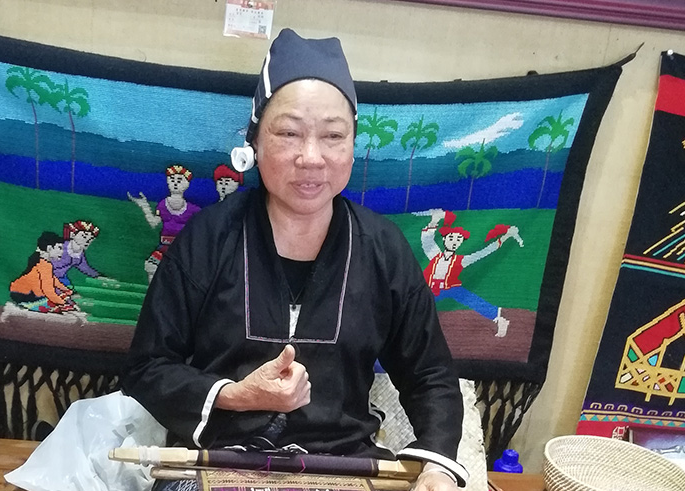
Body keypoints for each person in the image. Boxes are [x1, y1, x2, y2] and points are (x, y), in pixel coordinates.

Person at [122, 29, 467, 491]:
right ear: (254, 143)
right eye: (288, 133)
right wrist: (235, 395)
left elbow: (430, 375)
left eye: (332, 136)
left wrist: (439, 465)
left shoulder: (382, 248)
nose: (311, 158)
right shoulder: (207, 238)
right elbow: (147, 368)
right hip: (219, 464)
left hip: (343, 466)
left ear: (352, 145)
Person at [415, 209, 521, 338]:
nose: (454, 242)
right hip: (432, 289)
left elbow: (483, 252)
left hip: (451, 288)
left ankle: (500, 319)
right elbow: (427, 241)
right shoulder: (435, 255)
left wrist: (505, 237)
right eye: (451, 238)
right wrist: (435, 220)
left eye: (458, 240)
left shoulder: (461, 260)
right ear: (444, 239)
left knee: (471, 299)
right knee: (417, 304)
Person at [127, 165, 202, 283]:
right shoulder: (162, 204)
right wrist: (145, 206)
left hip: (182, 248)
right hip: (165, 245)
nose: (175, 183)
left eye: (179, 180)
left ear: (186, 184)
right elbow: (153, 223)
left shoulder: (193, 209)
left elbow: (202, 224)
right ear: (168, 182)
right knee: (152, 267)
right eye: (172, 180)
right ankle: (153, 295)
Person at [9, 231, 76, 313]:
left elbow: (53, 279)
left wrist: (65, 289)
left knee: (60, 297)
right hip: (24, 295)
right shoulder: (43, 265)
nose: (62, 252)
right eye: (59, 248)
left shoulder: (45, 263)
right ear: (49, 248)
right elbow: (48, 290)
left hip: (21, 293)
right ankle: (31, 305)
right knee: (55, 303)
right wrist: (62, 302)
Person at [51, 220, 109, 288]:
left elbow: (86, 268)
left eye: (91, 239)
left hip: (61, 280)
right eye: (84, 237)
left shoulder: (79, 254)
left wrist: (100, 277)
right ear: (72, 235)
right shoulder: (60, 248)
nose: (87, 241)